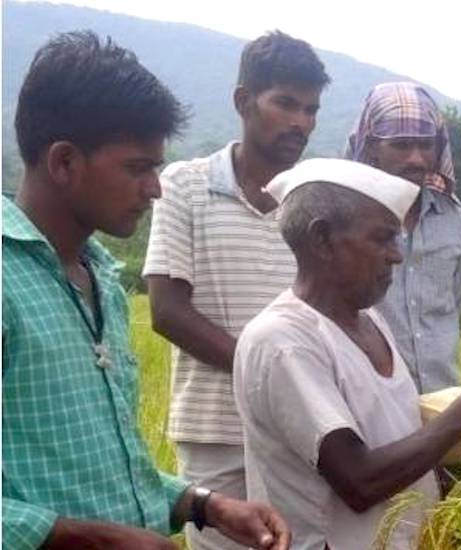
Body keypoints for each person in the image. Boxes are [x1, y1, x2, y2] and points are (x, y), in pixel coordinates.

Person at [2, 31, 290, 550]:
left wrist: (208, 506)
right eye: (138, 168)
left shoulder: (103, 282)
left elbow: (114, 472)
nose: (155, 188)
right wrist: (91, 539)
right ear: (65, 162)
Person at [234, 158, 461, 550]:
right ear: (322, 240)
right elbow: (359, 481)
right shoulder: (284, 340)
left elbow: (402, 435)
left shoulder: (369, 321)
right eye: (382, 238)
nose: (396, 255)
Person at [142, 30, 328, 550]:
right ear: (244, 101)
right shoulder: (184, 185)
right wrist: (270, 372)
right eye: (286, 104)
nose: (301, 122)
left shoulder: (317, 201)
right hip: (216, 432)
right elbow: (167, 311)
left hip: (302, 433)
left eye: (311, 109)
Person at [342, 82, 461, 396]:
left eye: (425, 145)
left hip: (445, 405)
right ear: (373, 147)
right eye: (401, 145)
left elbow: (459, 308)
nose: (416, 158)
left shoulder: (457, 222)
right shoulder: (347, 224)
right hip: (372, 405)